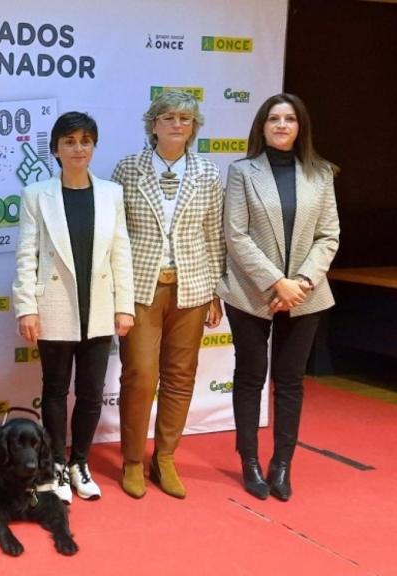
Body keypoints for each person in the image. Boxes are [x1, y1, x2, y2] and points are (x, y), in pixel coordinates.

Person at [218, 93, 339, 501]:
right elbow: (235, 235)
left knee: (290, 381)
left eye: (289, 119)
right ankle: (249, 461)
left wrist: (300, 282)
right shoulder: (242, 172)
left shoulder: (320, 173)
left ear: (300, 126)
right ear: (262, 126)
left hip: (307, 294)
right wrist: (276, 283)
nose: (282, 125)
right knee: (250, 377)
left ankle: (282, 464)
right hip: (252, 293)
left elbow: (329, 235)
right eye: (274, 119)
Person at [12, 111, 134, 503]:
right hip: (54, 307)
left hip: (99, 308)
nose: (78, 148)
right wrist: (26, 307)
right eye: (69, 141)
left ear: (94, 146)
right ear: (56, 149)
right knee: (54, 391)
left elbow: (121, 254)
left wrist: (125, 306)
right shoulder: (36, 195)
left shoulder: (112, 193)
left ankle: (80, 462)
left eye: (85, 140)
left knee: (92, 393)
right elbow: (25, 256)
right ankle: (55, 467)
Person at [112, 90, 225, 499]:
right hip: (141, 288)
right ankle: (131, 459)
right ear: (153, 123)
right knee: (141, 375)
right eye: (169, 117)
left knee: (180, 375)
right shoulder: (127, 169)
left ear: (194, 128)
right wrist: (117, 292)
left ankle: (165, 458)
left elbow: (214, 234)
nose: (178, 124)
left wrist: (215, 289)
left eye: (186, 118)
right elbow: (116, 236)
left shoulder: (209, 173)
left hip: (192, 287)